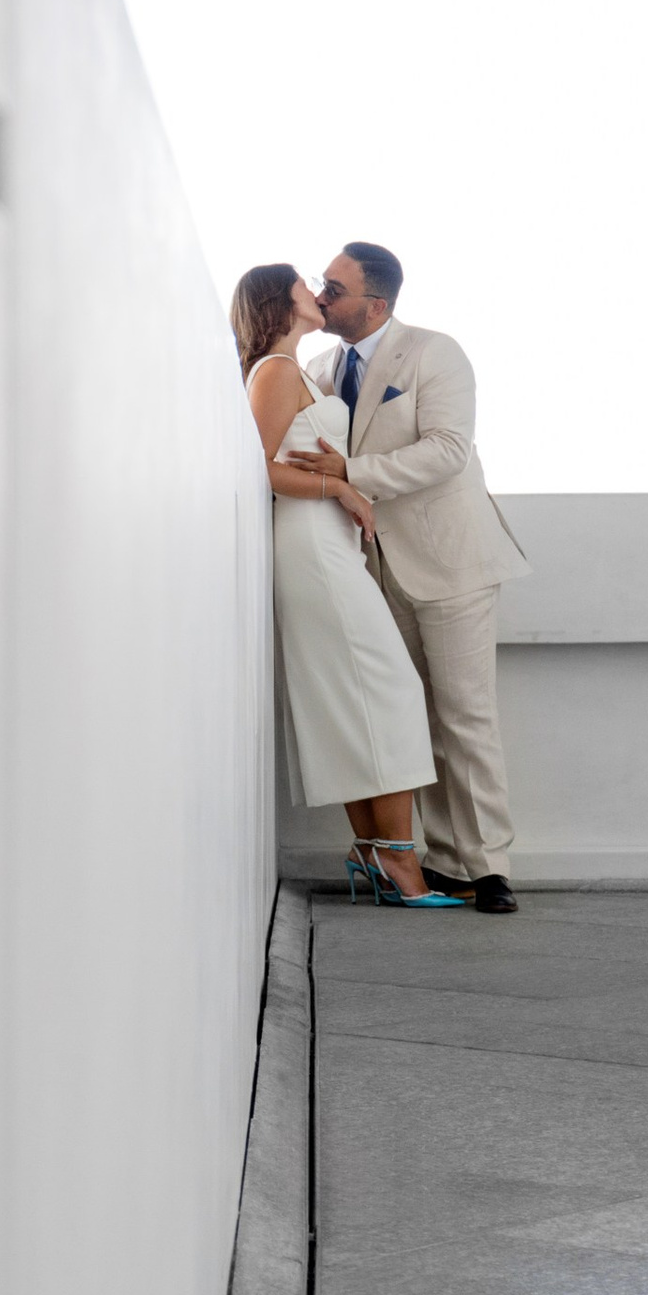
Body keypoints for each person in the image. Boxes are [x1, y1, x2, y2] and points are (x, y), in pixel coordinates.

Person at [306, 242, 529, 915]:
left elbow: (448, 451)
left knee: (465, 716)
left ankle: (487, 869)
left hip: (450, 560)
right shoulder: (316, 368)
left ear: (375, 303)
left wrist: (350, 473)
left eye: (334, 288)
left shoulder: (435, 352)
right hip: (366, 567)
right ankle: (439, 861)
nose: (321, 295)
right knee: (406, 717)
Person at [231, 266, 456, 907]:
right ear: (282, 301)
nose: (318, 290)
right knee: (391, 691)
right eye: (307, 283)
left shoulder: (297, 369)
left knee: (362, 699)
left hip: (326, 548)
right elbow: (265, 469)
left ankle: (376, 855)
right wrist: (343, 488)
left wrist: (342, 489)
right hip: (311, 549)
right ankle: (400, 862)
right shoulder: (274, 372)